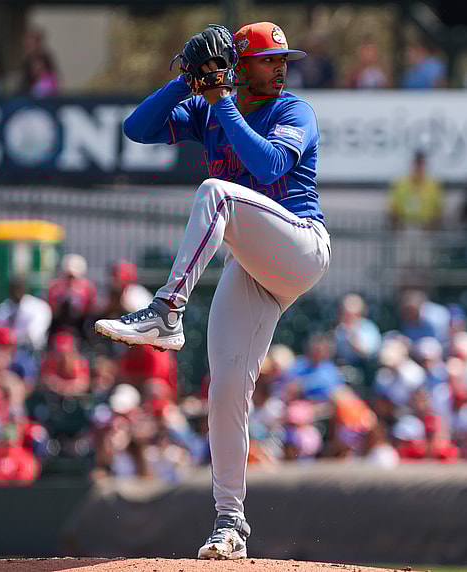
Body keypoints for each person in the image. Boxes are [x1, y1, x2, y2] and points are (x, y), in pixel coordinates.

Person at [95, 22, 330, 560]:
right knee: (224, 390)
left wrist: (220, 96)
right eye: (268, 60)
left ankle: (167, 310)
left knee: (216, 192)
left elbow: (269, 164)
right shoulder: (209, 107)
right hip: (254, 268)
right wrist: (186, 80)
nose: (280, 67)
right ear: (240, 65)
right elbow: (136, 128)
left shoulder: (293, 110)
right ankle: (230, 524)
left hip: (299, 247)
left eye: (282, 59)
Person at [388, 152, 443, 230]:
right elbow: (393, 208)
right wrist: (399, 226)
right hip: (405, 226)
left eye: (421, 165)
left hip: (426, 227)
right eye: (417, 165)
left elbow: (439, 208)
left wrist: (431, 226)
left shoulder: (433, 185)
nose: (418, 168)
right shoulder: (400, 183)